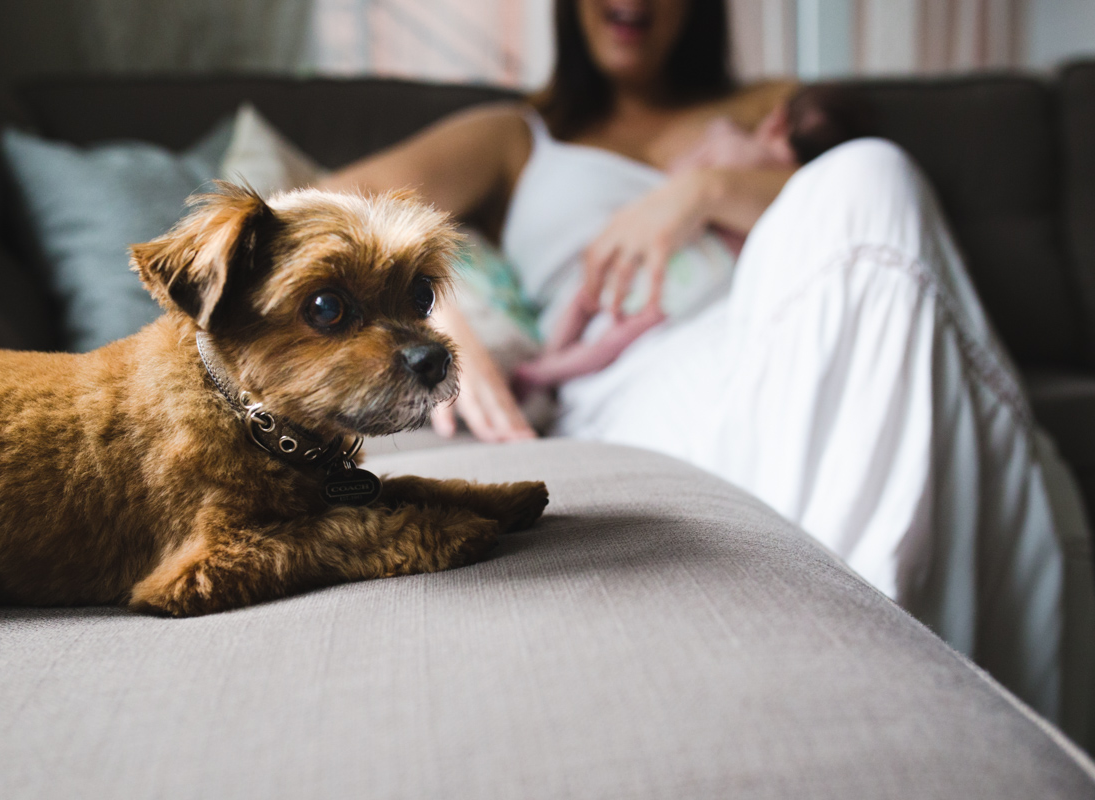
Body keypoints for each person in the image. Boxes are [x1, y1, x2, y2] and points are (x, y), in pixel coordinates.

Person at [322, 0, 1095, 744]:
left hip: (806, 331)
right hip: (643, 387)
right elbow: (324, 204)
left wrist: (707, 190)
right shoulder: (518, 135)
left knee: (872, 172)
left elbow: (884, 234)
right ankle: (889, 696)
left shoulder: (769, 107)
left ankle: (869, 681)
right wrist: (425, 305)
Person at [512, 84, 875, 391]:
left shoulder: (728, 139)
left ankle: (548, 358)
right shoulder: (797, 184)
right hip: (700, 277)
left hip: (666, 260)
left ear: (777, 120)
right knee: (618, 336)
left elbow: (675, 177)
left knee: (588, 300)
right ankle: (549, 372)